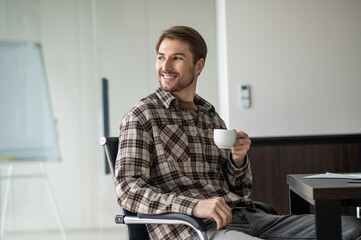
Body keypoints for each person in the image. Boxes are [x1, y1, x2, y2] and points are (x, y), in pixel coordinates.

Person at [115, 26, 361, 240]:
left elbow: (241, 190)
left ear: (198, 65)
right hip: (193, 230)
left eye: (176, 58)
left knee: (352, 227)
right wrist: (194, 206)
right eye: (160, 57)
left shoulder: (210, 116)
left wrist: (238, 160)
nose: (165, 67)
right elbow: (128, 190)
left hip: (246, 218)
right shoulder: (142, 116)